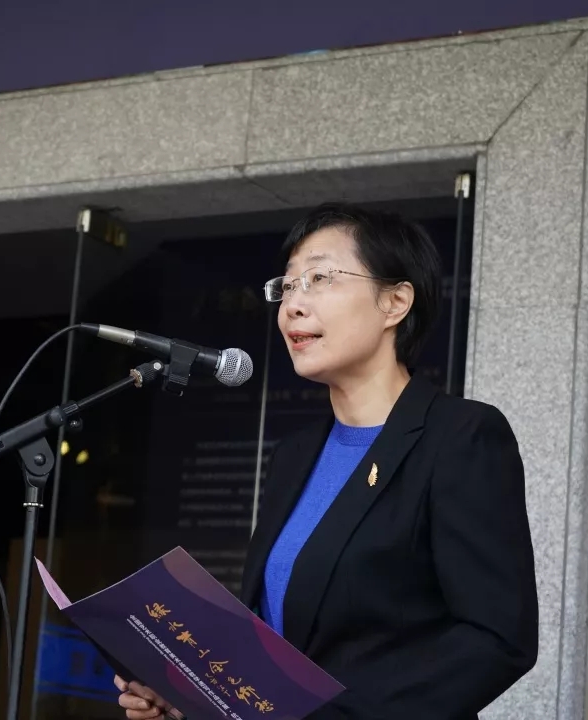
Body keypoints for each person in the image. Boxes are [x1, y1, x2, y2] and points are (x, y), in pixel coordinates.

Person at [115, 202, 539, 719]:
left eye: (319, 278)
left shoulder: (460, 437)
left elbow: (496, 637)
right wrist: (191, 693)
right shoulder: (294, 455)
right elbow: (274, 642)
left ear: (395, 302)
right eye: (287, 286)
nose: (293, 305)